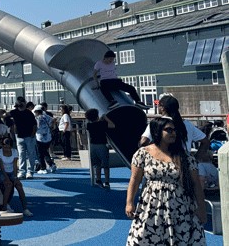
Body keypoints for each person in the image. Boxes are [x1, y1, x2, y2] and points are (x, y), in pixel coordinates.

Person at [125, 117, 206, 245]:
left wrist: (202, 208)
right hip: (151, 206)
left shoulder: (183, 156)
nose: (173, 133)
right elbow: (134, 179)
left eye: (175, 130)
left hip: (180, 208)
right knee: (142, 238)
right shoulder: (143, 154)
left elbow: (196, 184)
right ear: (157, 131)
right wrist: (129, 202)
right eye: (169, 130)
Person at [140, 95, 206, 154]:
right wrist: (197, 159)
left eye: (158, 105)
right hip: (185, 161)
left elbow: (143, 142)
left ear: (162, 107)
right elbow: (206, 141)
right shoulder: (187, 124)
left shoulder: (157, 123)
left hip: (164, 160)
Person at [0, 136, 32, 217]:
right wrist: (7, 178)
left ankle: (25, 208)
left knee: (19, 186)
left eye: (8, 147)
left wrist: (15, 178)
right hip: (1, 172)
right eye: (4, 146)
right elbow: (1, 166)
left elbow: (15, 165)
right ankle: (4, 208)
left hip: (11, 172)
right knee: (9, 185)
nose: (6, 149)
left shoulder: (15, 151)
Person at [85, 108, 115, 188]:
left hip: (93, 146)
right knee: (105, 165)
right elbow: (112, 125)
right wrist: (105, 118)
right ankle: (107, 182)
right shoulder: (102, 124)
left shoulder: (89, 125)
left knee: (97, 164)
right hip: (102, 145)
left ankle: (98, 179)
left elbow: (91, 122)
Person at [10, 97, 38, 179]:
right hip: (19, 136)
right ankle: (22, 171)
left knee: (31, 154)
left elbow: (34, 124)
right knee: (21, 154)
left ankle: (30, 171)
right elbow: (5, 115)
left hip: (29, 136)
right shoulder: (14, 112)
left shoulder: (29, 113)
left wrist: (33, 134)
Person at [34, 104, 56, 174]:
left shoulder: (36, 118)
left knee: (40, 153)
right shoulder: (47, 117)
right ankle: (51, 164)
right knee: (45, 152)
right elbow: (53, 120)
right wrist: (51, 127)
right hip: (48, 137)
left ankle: (43, 168)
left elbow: (35, 127)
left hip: (39, 137)